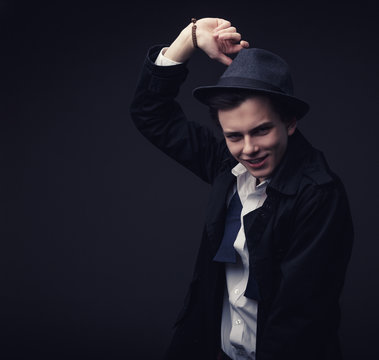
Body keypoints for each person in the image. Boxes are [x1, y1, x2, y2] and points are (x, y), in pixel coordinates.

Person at [130, 17, 353, 360]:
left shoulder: (319, 194)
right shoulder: (226, 163)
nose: (248, 149)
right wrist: (187, 40)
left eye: (261, 130)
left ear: (289, 122)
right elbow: (151, 114)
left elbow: (297, 322)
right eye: (234, 136)